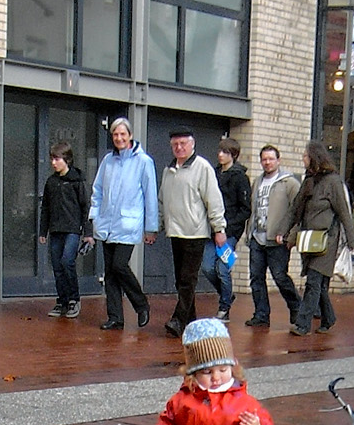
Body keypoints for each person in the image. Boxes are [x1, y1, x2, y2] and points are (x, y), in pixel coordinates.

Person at [280, 141, 354, 335]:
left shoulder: (333, 182)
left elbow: (344, 213)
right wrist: (284, 232)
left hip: (327, 240)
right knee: (319, 285)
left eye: (305, 156)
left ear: (314, 157)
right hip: (308, 239)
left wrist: (352, 240)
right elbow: (295, 210)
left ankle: (303, 324)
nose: (302, 159)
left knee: (313, 282)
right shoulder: (309, 181)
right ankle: (328, 318)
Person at [88, 117, 157, 331]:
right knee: (110, 272)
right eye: (115, 134)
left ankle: (141, 303)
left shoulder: (143, 161)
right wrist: (95, 216)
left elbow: (150, 196)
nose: (119, 138)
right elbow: (97, 190)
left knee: (119, 265)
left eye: (123, 134)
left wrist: (151, 228)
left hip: (128, 224)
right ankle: (115, 317)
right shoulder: (108, 160)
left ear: (130, 136)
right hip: (106, 224)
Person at [159, 130, 226, 337]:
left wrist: (219, 228)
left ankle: (178, 320)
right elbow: (163, 201)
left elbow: (213, 200)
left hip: (195, 233)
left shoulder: (202, 168)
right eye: (175, 144)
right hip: (175, 232)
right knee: (181, 280)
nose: (179, 148)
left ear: (192, 144)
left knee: (188, 279)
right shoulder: (168, 170)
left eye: (183, 143)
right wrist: (158, 226)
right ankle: (191, 322)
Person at [244, 145, 301, 328]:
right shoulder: (257, 182)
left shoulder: (289, 183)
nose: (267, 162)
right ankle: (261, 315)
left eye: (270, 159)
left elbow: (298, 211)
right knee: (256, 278)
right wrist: (249, 232)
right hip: (257, 238)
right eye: (264, 159)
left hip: (277, 240)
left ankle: (297, 308)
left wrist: (289, 236)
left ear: (278, 160)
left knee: (280, 276)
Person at [39, 141, 90, 319]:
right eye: (52, 159)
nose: (53, 163)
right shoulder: (51, 182)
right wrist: (42, 231)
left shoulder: (77, 180)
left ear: (66, 159)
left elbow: (86, 207)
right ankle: (62, 301)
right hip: (55, 230)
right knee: (57, 266)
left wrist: (88, 234)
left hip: (72, 230)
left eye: (57, 159)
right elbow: (45, 207)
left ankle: (74, 300)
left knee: (67, 261)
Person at [204, 138, 249, 321]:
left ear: (234, 155)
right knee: (207, 267)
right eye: (220, 151)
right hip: (211, 230)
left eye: (226, 152)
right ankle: (227, 295)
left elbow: (245, 209)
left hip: (229, 233)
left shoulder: (240, 177)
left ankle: (224, 307)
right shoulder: (213, 174)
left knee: (223, 268)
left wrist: (227, 229)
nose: (221, 155)